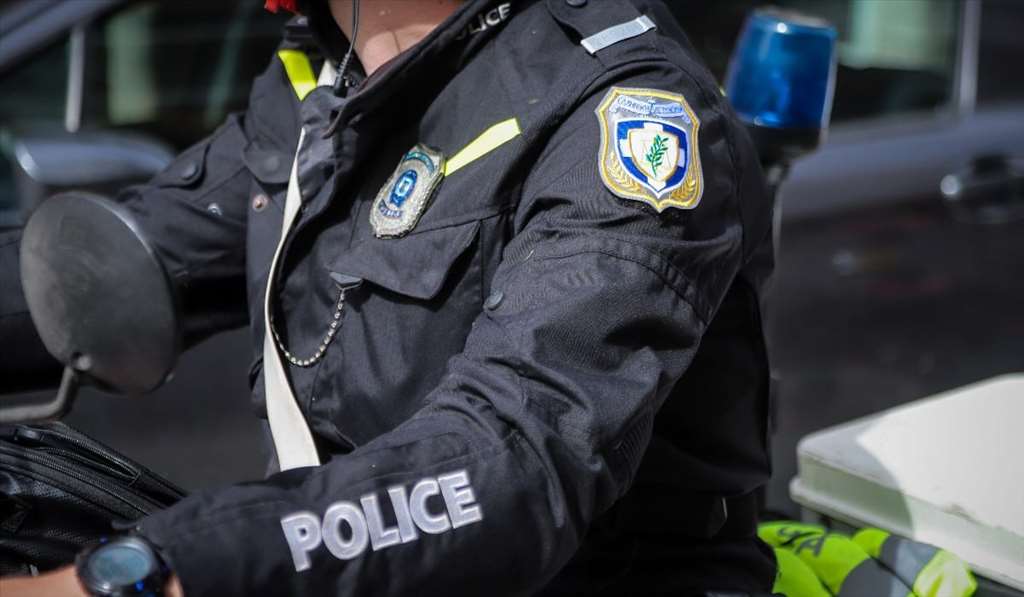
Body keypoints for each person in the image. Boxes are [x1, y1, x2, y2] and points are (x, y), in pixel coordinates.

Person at [0, 0, 777, 594]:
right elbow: (99, 267)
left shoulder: (622, 106)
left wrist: (151, 572)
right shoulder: (327, 82)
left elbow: (511, 460)